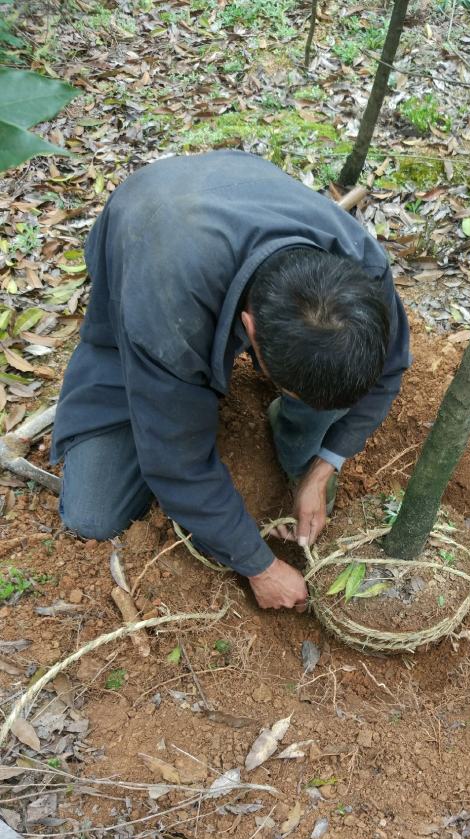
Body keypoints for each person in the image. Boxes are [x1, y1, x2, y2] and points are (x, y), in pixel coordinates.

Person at [51, 151, 411, 611]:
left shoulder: (363, 271)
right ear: (251, 328)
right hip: (151, 223)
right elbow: (176, 461)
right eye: (287, 387)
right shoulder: (166, 309)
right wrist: (259, 565)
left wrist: (321, 469)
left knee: (332, 389)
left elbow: (390, 367)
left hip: (240, 188)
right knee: (94, 513)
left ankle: (297, 436)